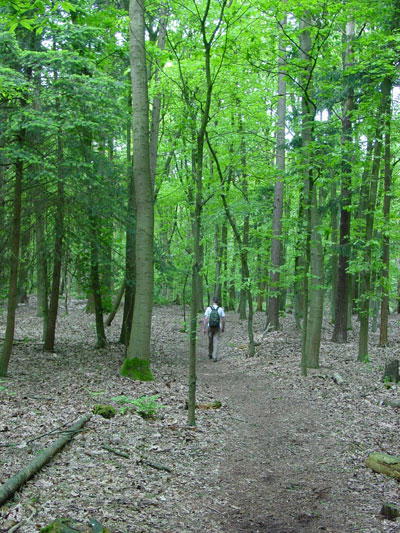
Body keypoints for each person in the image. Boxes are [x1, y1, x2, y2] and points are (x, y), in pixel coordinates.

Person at [203, 297, 225, 362]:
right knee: (216, 341)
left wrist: (204, 328)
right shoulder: (220, 309)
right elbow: (223, 320)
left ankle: (210, 353)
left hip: (210, 327)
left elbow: (206, 319)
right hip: (218, 327)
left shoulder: (209, 308)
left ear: (212, 301)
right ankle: (215, 356)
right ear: (218, 302)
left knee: (210, 340)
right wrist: (223, 328)